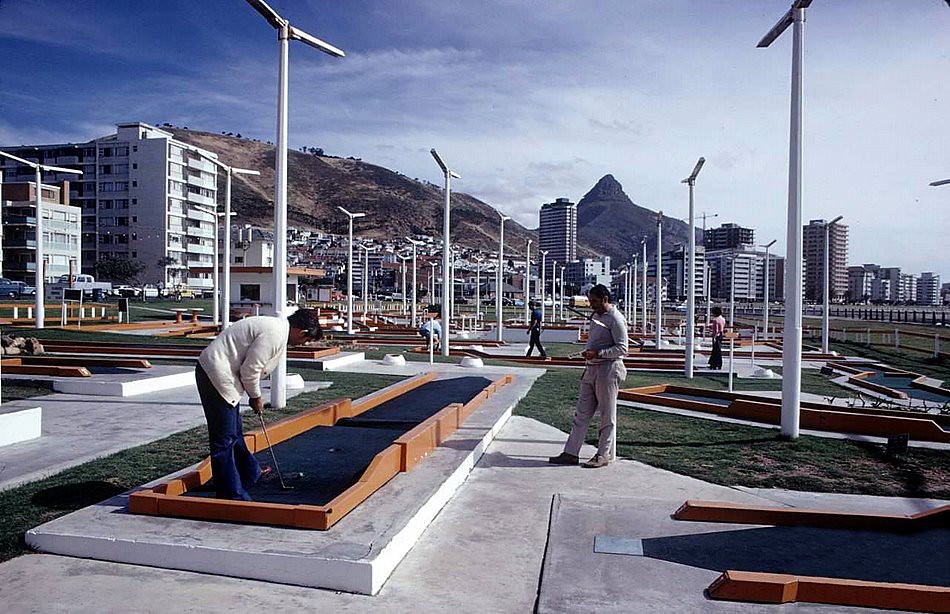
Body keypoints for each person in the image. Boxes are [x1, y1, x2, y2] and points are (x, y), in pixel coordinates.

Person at [196, 308, 323, 500]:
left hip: (226, 376)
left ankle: (249, 473)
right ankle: (231, 494)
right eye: (305, 340)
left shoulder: (278, 330)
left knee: (234, 432)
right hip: (215, 375)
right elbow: (250, 370)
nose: (301, 344)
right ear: (302, 331)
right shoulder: (274, 333)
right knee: (224, 440)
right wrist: (256, 397)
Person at [549, 284, 628, 469]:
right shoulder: (596, 316)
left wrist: (598, 354)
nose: (591, 305)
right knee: (581, 414)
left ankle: (603, 454)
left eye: (594, 301)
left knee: (607, 416)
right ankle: (570, 453)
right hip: (591, 369)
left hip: (608, 370)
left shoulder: (615, 319)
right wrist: (589, 353)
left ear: (605, 299)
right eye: (590, 301)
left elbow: (623, 348)